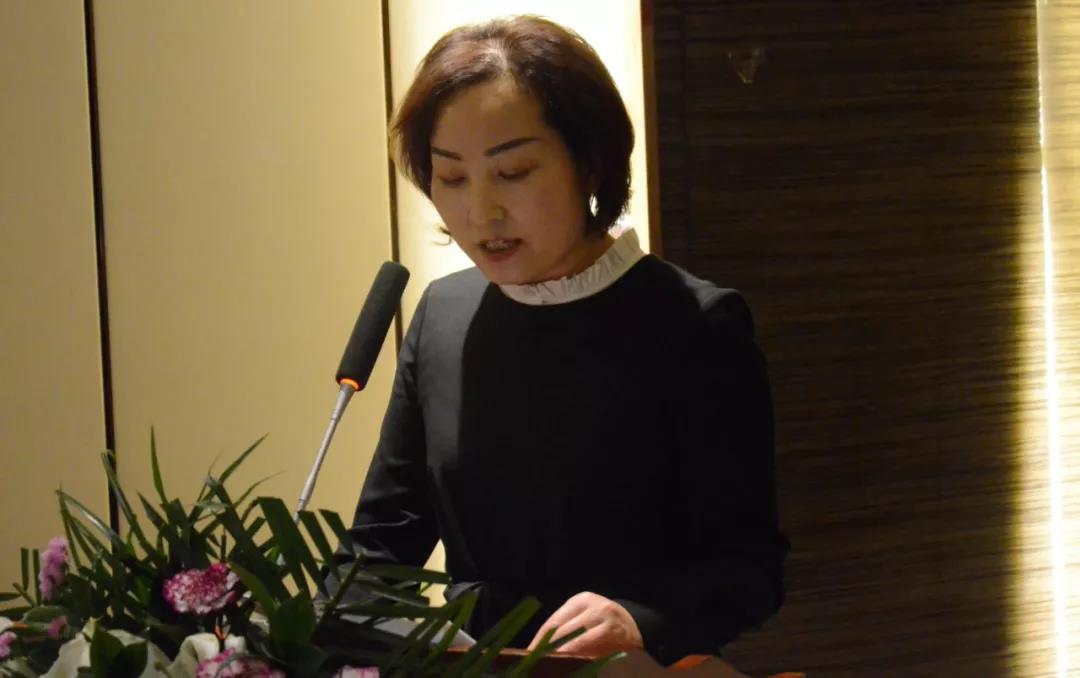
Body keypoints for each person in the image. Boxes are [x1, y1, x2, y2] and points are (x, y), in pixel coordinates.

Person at [337, 14, 789, 667]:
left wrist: (639, 618)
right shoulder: (443, 315)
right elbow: (376, 557)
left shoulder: (695, 323)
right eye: (452, 178)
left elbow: (750, 570)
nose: (480, 212)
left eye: (514, 171)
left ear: (591, 163)